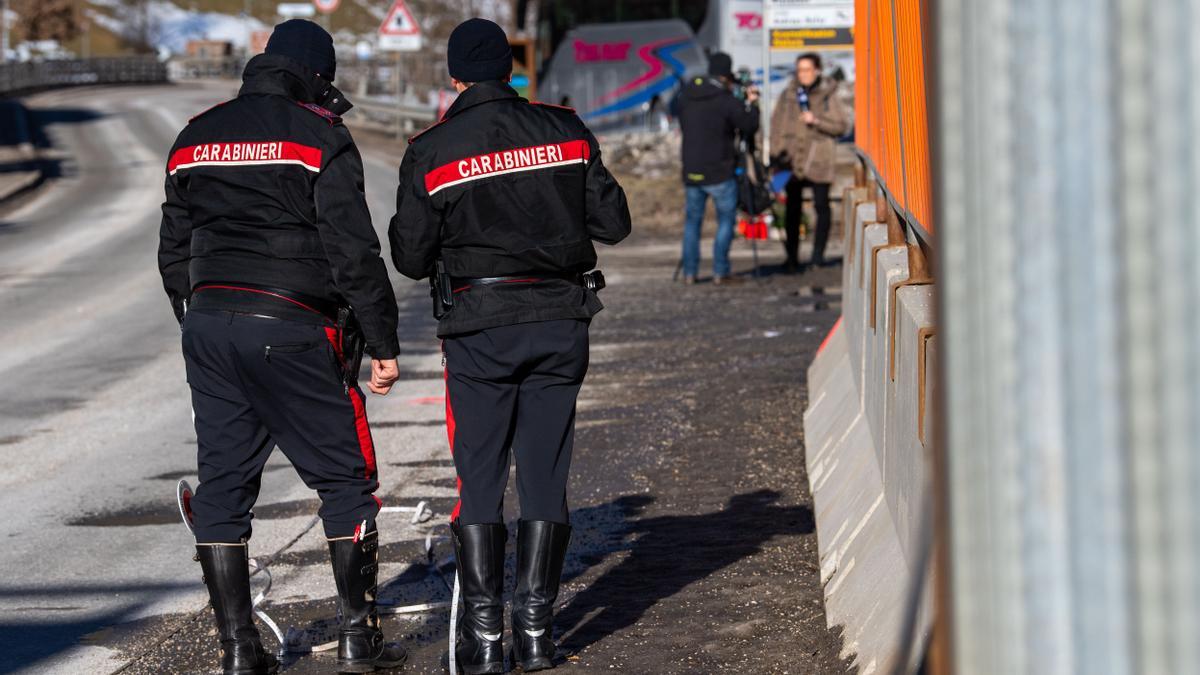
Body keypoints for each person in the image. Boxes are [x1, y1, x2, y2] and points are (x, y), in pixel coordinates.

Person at [157, 19, 407, 675]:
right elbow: (353, 253)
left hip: (209, 324)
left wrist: (198, 318)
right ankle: (359, 639)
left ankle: (240, 652)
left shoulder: (194, 136)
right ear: (317, 76)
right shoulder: (321, 136)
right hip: (294, 322)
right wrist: (381, 339)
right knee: (344, 480)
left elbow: (172, 252)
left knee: (222, 488)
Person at [387, 18, 631, 674]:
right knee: (546, 476)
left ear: (454, 76)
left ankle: (488, 637)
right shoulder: (565, 130)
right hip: (559, 318)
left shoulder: (433, 149)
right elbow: (615, 221)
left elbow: (409, 258)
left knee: (482, 476)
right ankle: (537, 632)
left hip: (479, 325)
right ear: (511, 69)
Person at [673, 51, 760, 284]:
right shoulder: (726, 99)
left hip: (692, 169)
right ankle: (720, 271)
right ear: (726, 75)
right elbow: (748, 125)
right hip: (720, 170)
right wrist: (752, 104)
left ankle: (690, 272)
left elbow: (678, 116)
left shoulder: (686, 96)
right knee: (725, 221)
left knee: (693, 223)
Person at [770, 52, 851, 272]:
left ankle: (817, 257)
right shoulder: (788, 95)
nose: (803, 74)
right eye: (799, 70)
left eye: (807, 69)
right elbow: (776, 125)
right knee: (792, 208)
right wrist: (775, 156)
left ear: (817, 70)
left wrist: (816, 121)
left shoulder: (828, 95)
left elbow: (841, 126)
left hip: (818, 159)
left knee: (821, 206)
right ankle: (792, 258)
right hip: (791, 160)